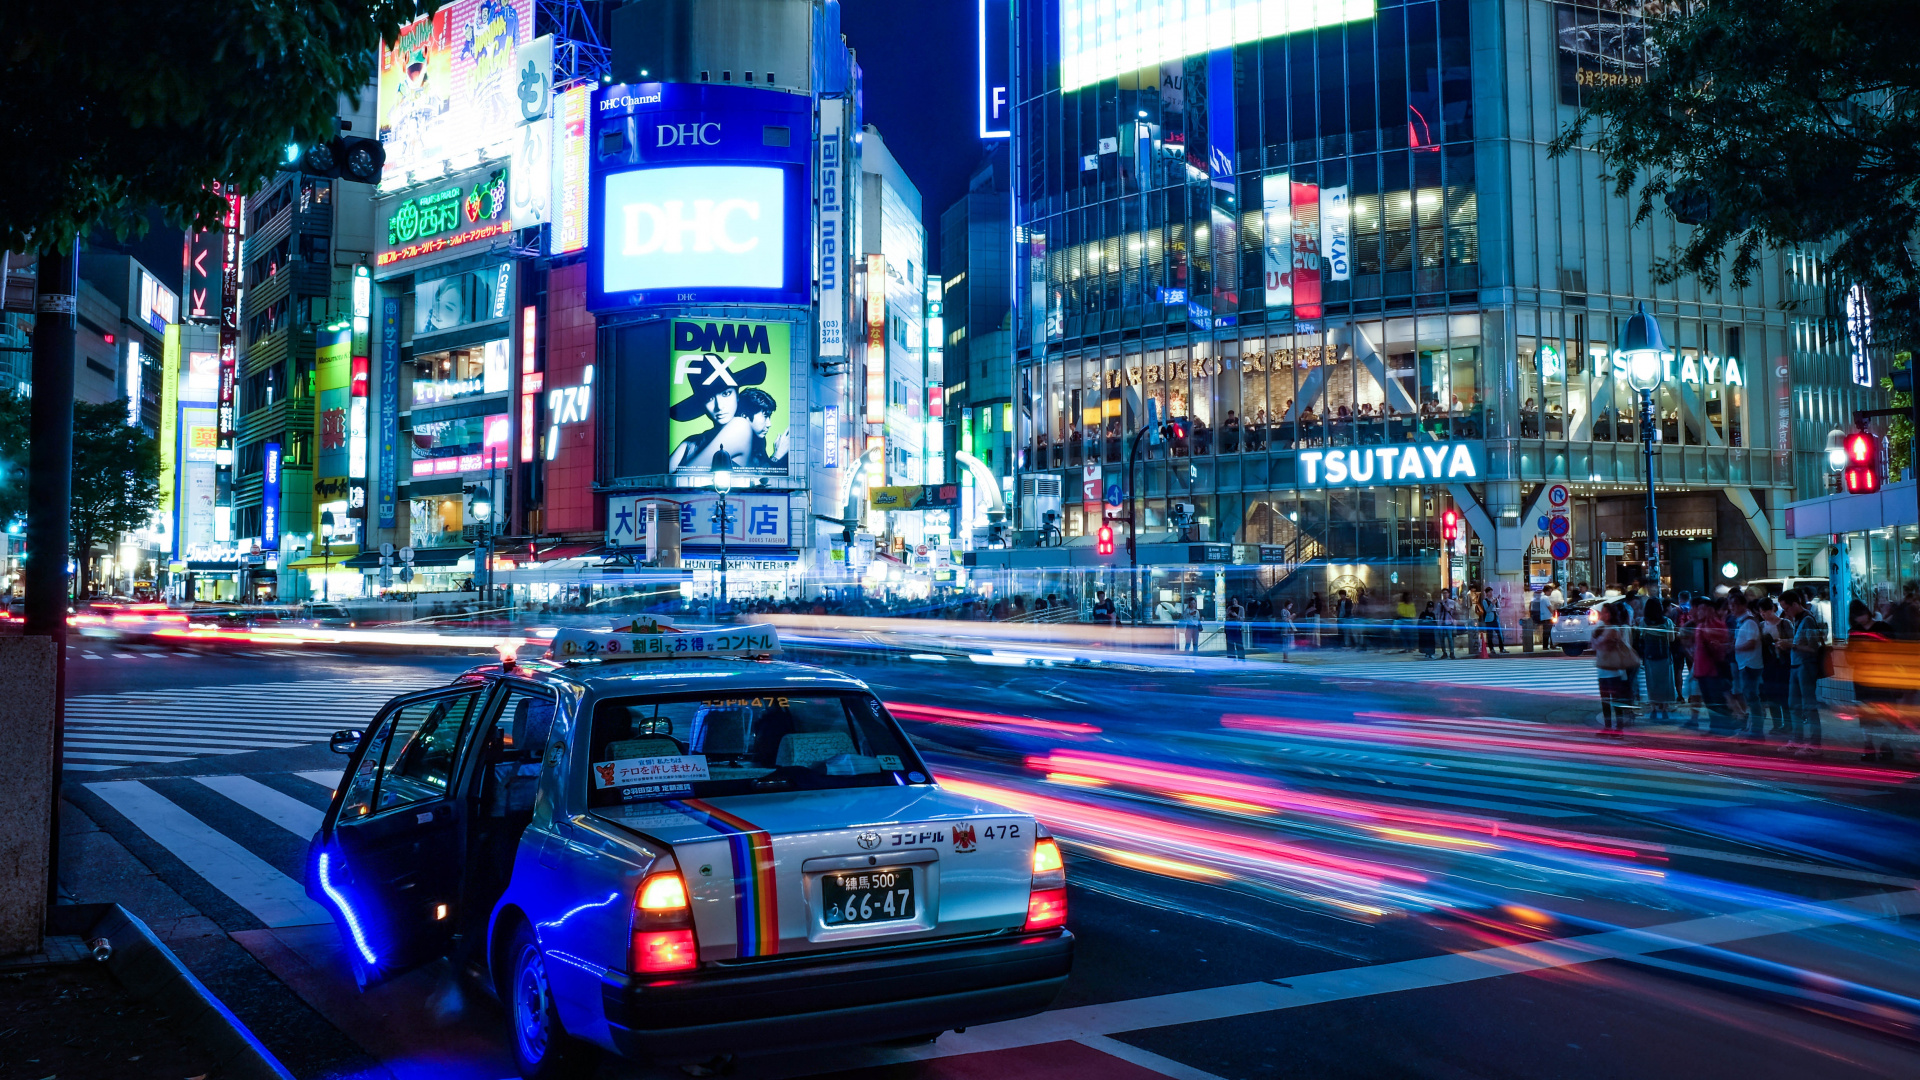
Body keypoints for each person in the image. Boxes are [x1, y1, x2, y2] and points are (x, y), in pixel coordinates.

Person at [1781, 589, 1826, 756]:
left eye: (1786, 608)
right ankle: (1797, 739)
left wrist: (1791, 645)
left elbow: (1812, 648)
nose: (1785, 612)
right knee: (1794, 705)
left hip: (1805, 666)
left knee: (1808, 705)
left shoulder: (1807, 620)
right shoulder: (1799, 619)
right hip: (1796, 665)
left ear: (1795, 604)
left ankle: (1815, 743)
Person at [1592, 601, 1640, 733]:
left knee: (1616, 701)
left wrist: (1597, 637)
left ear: (1611, 614)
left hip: (1614, 672)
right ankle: (1608, 727)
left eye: (1606, 612)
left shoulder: (1613, 630)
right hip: (1603, 670)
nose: (1603, 614)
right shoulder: (1602, 628)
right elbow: (1594, 644)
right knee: (1606, 701)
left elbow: (1599, 643)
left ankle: (1619, 728)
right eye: (1602, 611)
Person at [1691, 596, 1733, 735]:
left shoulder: (1716, 625)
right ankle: (1716, 727)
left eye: (1702, 609)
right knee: (1710, 701)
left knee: (1716, 701)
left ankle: (1723, 727)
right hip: (1703, 670)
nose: (1699, 612)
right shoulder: (1701, 625)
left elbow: (1719, 649)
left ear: (1710, 610)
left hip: (1712, 670)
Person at [1729, 590, 1764, 737]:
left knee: (1752, 697)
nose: (1731, 609)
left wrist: (1734, 647)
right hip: (1745, 664)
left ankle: (1756, 730)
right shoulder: (1742, 621)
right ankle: (1754, 728)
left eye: (1733, 606)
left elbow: (1751, 644)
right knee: (1749, 696)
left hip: (1750, 665)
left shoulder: (1749, 622)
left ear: (1741, 605)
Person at [1637, 598, 1677, 724]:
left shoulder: (1644, 622)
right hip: (1664, 655)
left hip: (1650, 657)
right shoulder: (1667, 622)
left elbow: (1641, 637)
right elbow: (1671, 639)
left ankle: (1654, 709)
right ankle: (1664, 709)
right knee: (1665, 683)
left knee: (1652, 683)